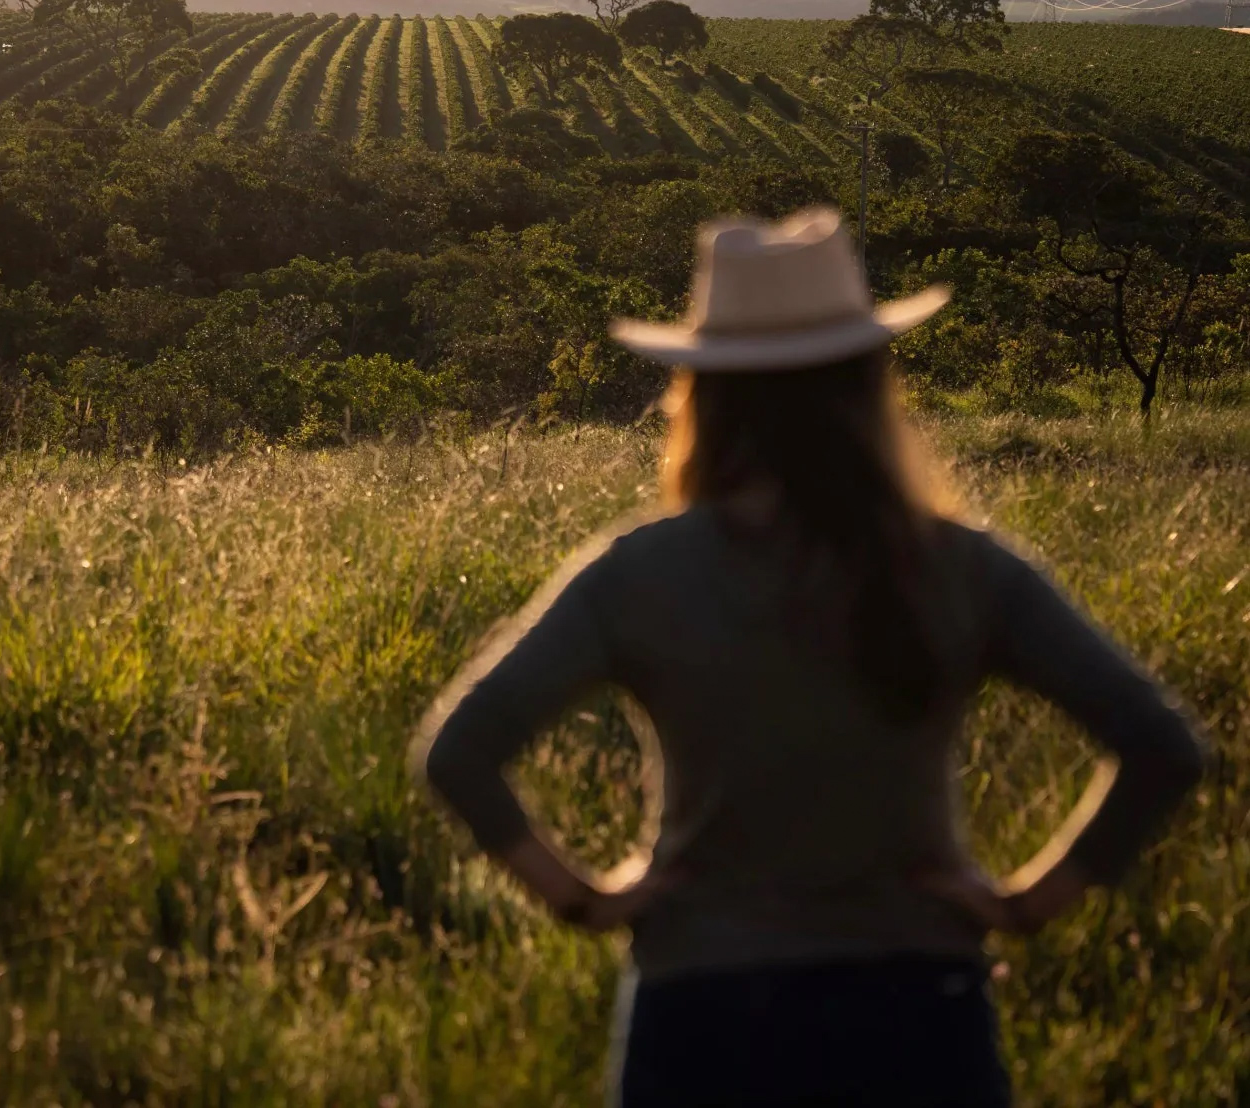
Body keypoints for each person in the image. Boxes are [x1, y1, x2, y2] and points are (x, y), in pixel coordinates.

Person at [412, 208, 1205, 1107]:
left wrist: (586, 901)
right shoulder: (964, 568)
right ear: (871, 382)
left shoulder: (639, 573)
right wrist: (1025, 904)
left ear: (701, 395)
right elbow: (1162, 748)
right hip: (916, 1012)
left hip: (702, 1015)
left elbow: (459, 751)